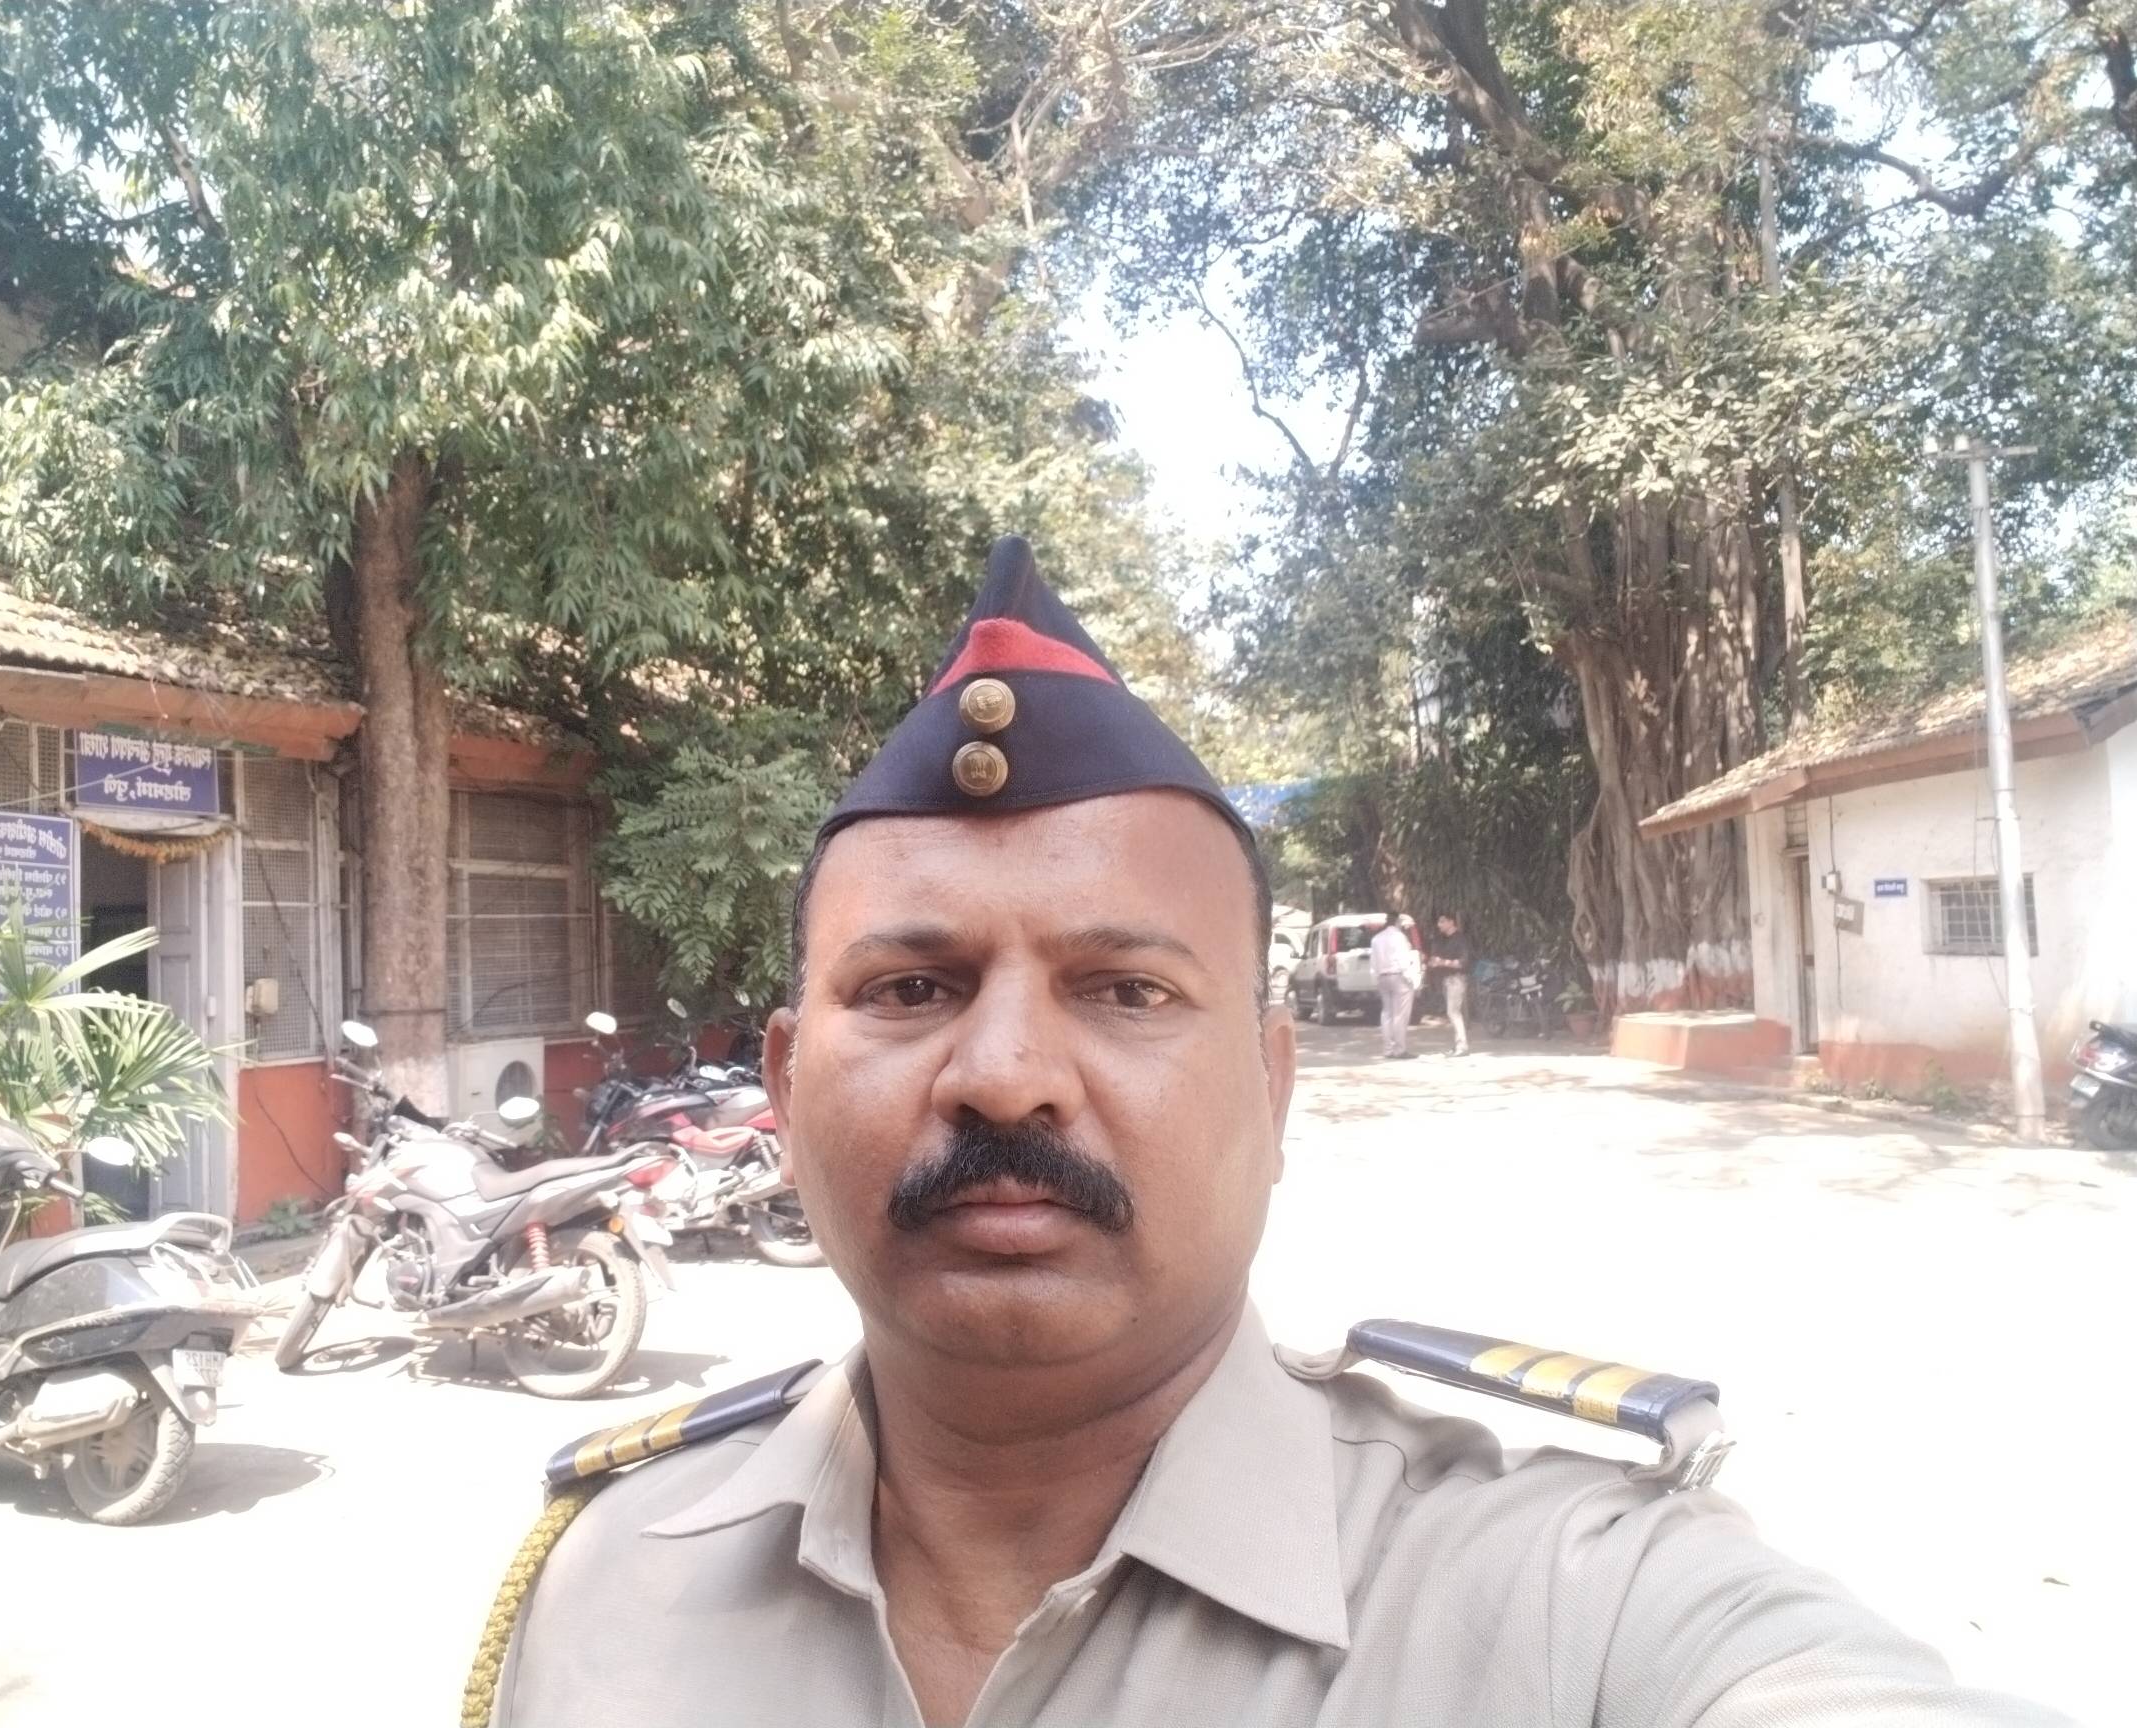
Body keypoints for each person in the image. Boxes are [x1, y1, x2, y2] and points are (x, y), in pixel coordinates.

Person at [469, 536, 2067, 1728]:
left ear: (1275, 1084)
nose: (1006, 1076)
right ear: (783, 1078)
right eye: (909, 988)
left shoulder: (1575, 1604)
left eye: (1127, 991)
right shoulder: (609, 1579)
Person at [1367, 911, 1420, 1059]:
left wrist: (1375, 979)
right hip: (1399, 976)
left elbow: (1374, 962)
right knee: (1400, 1015)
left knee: (1387, 1014)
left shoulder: (1376, 939)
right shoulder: (1399, 937)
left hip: (1382, 977)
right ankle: (1400, 1049)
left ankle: (1387, 1049)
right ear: (1398, 922)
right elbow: (1403, 960)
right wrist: (1411, 978)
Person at [1427, 909, 1473, 1056]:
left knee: (1454, 1012)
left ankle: (1462, 1046)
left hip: (1456, 979)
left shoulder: (1460, 939)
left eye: (1442, 921)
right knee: (1453, 1012)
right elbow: (1436, 958)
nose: (1439, 925)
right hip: (1446, 980)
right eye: (1438, 922)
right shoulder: (1442, 939)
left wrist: (1442, 962)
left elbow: (1463, 963)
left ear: (1451, 922)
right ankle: (1458, 1044)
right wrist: (1433, 962)